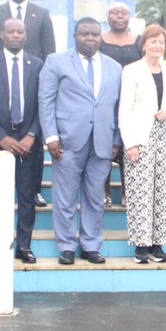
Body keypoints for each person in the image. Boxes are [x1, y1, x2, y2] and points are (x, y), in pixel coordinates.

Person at [39, 17, 123, 265]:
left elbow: (118, 107)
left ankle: (90, 244)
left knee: (95, 197)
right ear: (75, 36)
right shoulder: (56, 62)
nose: (90, 39)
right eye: (84, 34)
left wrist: (116, 138)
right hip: (66, 141)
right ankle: (66, 246)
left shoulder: (114, 67)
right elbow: (46, 100)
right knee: (65, 197)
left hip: (103, 141)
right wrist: (51, 136)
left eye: (95, 34)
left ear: (101, 37)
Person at [0, 17, 44, 264]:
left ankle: (24, 245)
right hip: (0, 141)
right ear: (2, 35)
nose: (15, 35)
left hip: (29, 143)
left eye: (20, 31)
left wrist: (31, 135)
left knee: (27, 196)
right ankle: (2, 242)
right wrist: (1, 137)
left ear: (25, 36)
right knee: (2, 196)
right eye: (11, 31)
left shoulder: (37, 64)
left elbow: (42, 102)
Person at [119, 24, 166, 264]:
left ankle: (158, 244)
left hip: (164, 136)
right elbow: (124, 109)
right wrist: (130, 143)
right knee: (141, 192)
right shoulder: (131, 70)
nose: (157, 46)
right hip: (140, 137)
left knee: (163, 192)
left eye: (161, 42)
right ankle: (141, 246)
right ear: (143, 44)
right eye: (153, 41)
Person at [97, 1, 143, 208]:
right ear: (107, 17)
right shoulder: (99, 41)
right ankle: (104, 190)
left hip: (132, 102)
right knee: (105, 147)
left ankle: (127, 191)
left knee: (129, 146)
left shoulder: (138, 41)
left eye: (123, 13)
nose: (119, 16)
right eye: (114, 13)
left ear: (129, 16)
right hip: (106, 100)